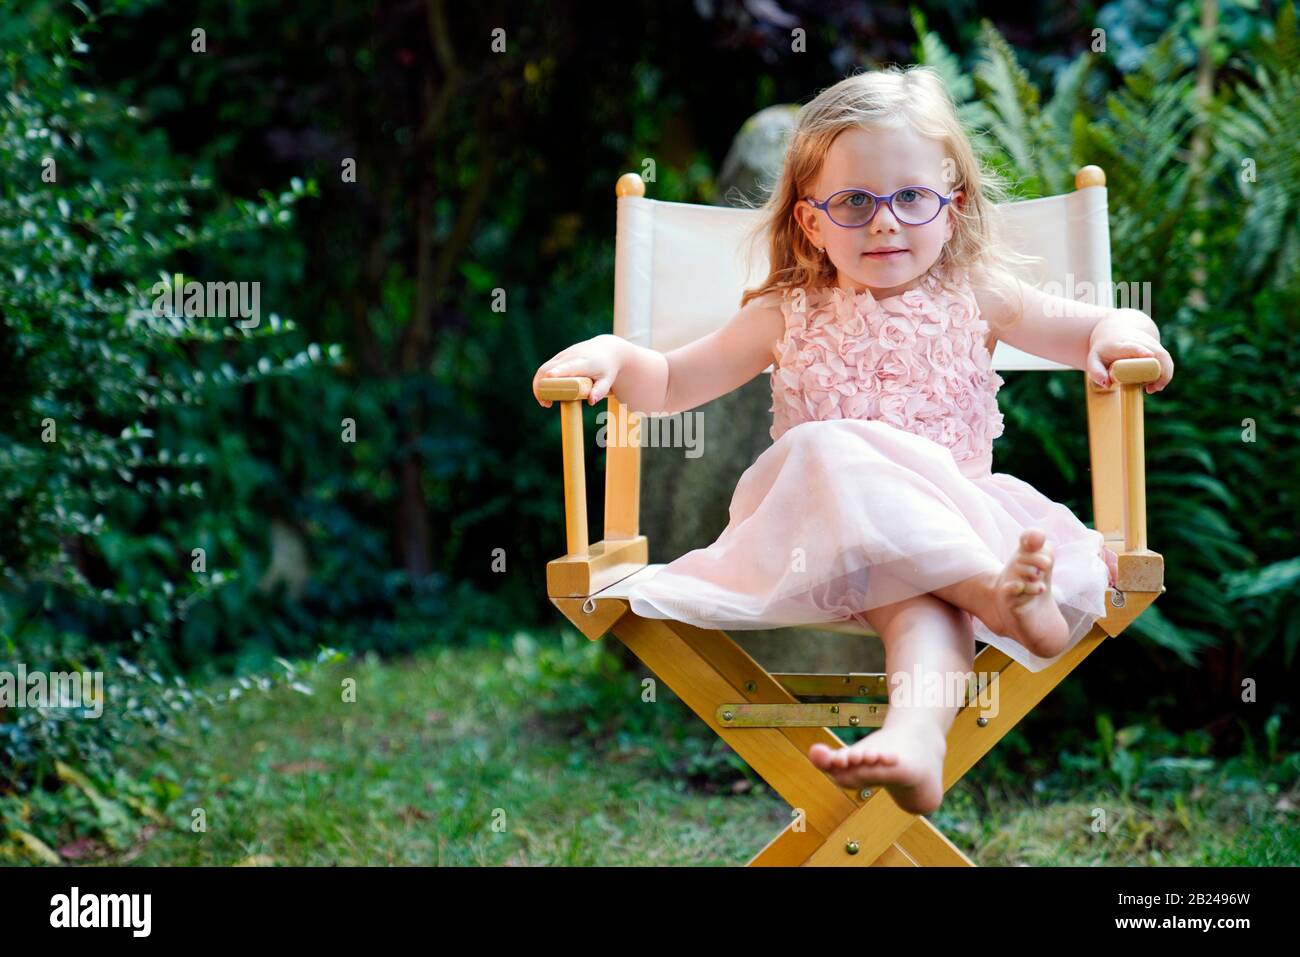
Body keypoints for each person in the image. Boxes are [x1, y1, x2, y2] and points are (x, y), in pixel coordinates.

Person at [530, 65, 1174, 815]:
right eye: (854, 202)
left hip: (952, 531)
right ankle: (998, 597)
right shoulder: (787, 311)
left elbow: (1094, 325)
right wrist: (614, 353)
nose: (884, 221)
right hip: (825, 535)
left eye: (910, 197)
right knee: (829, 446)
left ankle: (916, 741)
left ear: (953, 208)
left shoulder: (981, 295)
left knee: (925, 612)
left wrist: (1128, 331)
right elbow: (673, 384)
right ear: (810, 221)